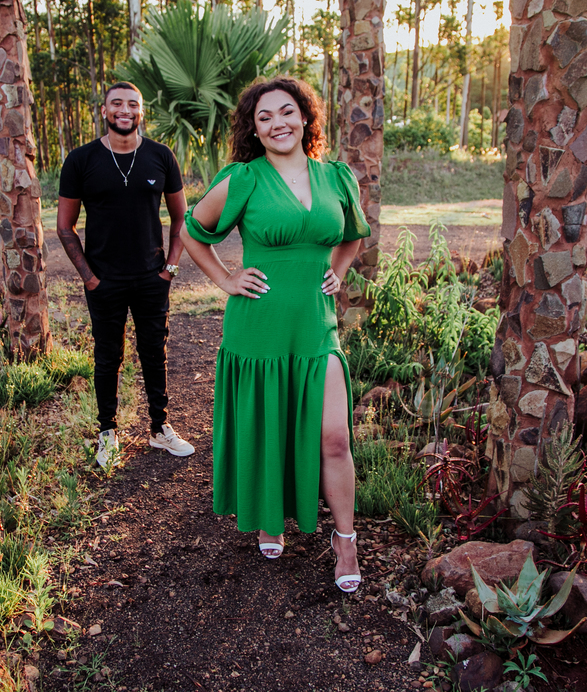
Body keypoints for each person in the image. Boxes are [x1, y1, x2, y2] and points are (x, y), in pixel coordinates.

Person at [180, 76, 368, 593]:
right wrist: (226, 279)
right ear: (254, 130)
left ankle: (345, 540)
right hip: (258, 330)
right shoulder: (243, 179)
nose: (277, 123)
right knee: (269, 427)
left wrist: (338, 271)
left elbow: (353, 236)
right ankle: (269, 517)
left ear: (305, 117)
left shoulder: (337, 177)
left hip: (315, 328)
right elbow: (192, 231)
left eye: (286, 112)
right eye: (264, 117)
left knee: (334, 438)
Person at [57, 82, 195, 468]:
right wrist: (89, 278)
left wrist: (170, 268)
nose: (124, 110)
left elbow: (182, 218)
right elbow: (65, 227)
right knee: (107, 357)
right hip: (104, 280)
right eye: (116, 103)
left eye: (132, 104)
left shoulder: (160, 156)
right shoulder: (81, 160)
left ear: (140, 111)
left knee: (154, 352)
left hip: (152, 277)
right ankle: (108, 433)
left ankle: (160, 428)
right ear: (104, 110)